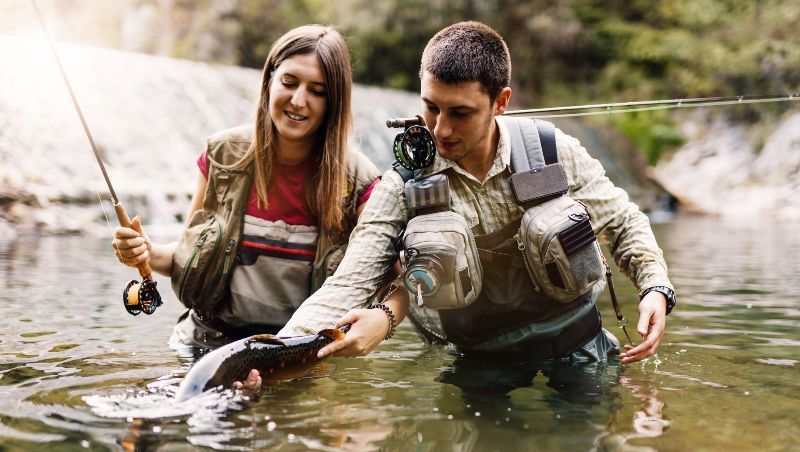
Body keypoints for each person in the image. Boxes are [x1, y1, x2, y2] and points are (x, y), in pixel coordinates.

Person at [281, 21, 675, 364]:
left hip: (576, 343)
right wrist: (274, 352)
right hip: (481, 361)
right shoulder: (404, 184)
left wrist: (655, 288)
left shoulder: (554, 151)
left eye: (460, 113)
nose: (440, 130)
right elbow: (349, 283)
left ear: (500, 102)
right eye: (431, 107)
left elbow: (622, 223)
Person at [112, 25, 408, 382]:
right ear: (269, 80)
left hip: (297, 359)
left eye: (317, 91)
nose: (299, 100)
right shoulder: (222, 155)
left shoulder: (360, 181)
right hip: (206, 348)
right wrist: (145, 252)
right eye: (289, 82)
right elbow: (187, 256)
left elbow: (397, 282)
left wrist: (384, 318)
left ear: (334, 102)